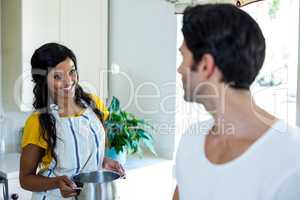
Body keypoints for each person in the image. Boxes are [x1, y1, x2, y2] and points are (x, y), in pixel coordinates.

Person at [173, 4, 300, 200]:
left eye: (183, 57)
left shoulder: (291, 159)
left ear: (206, 65)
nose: (179, 69)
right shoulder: (191, 141)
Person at [19, 43, 125, 199]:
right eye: (57, 76)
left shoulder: (94, 105)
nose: (69, 81)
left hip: (91, 195)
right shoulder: (38, 121)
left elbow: (83, 152)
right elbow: (25, 178)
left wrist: (103, 160)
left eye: (72, 72)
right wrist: (56, 182)